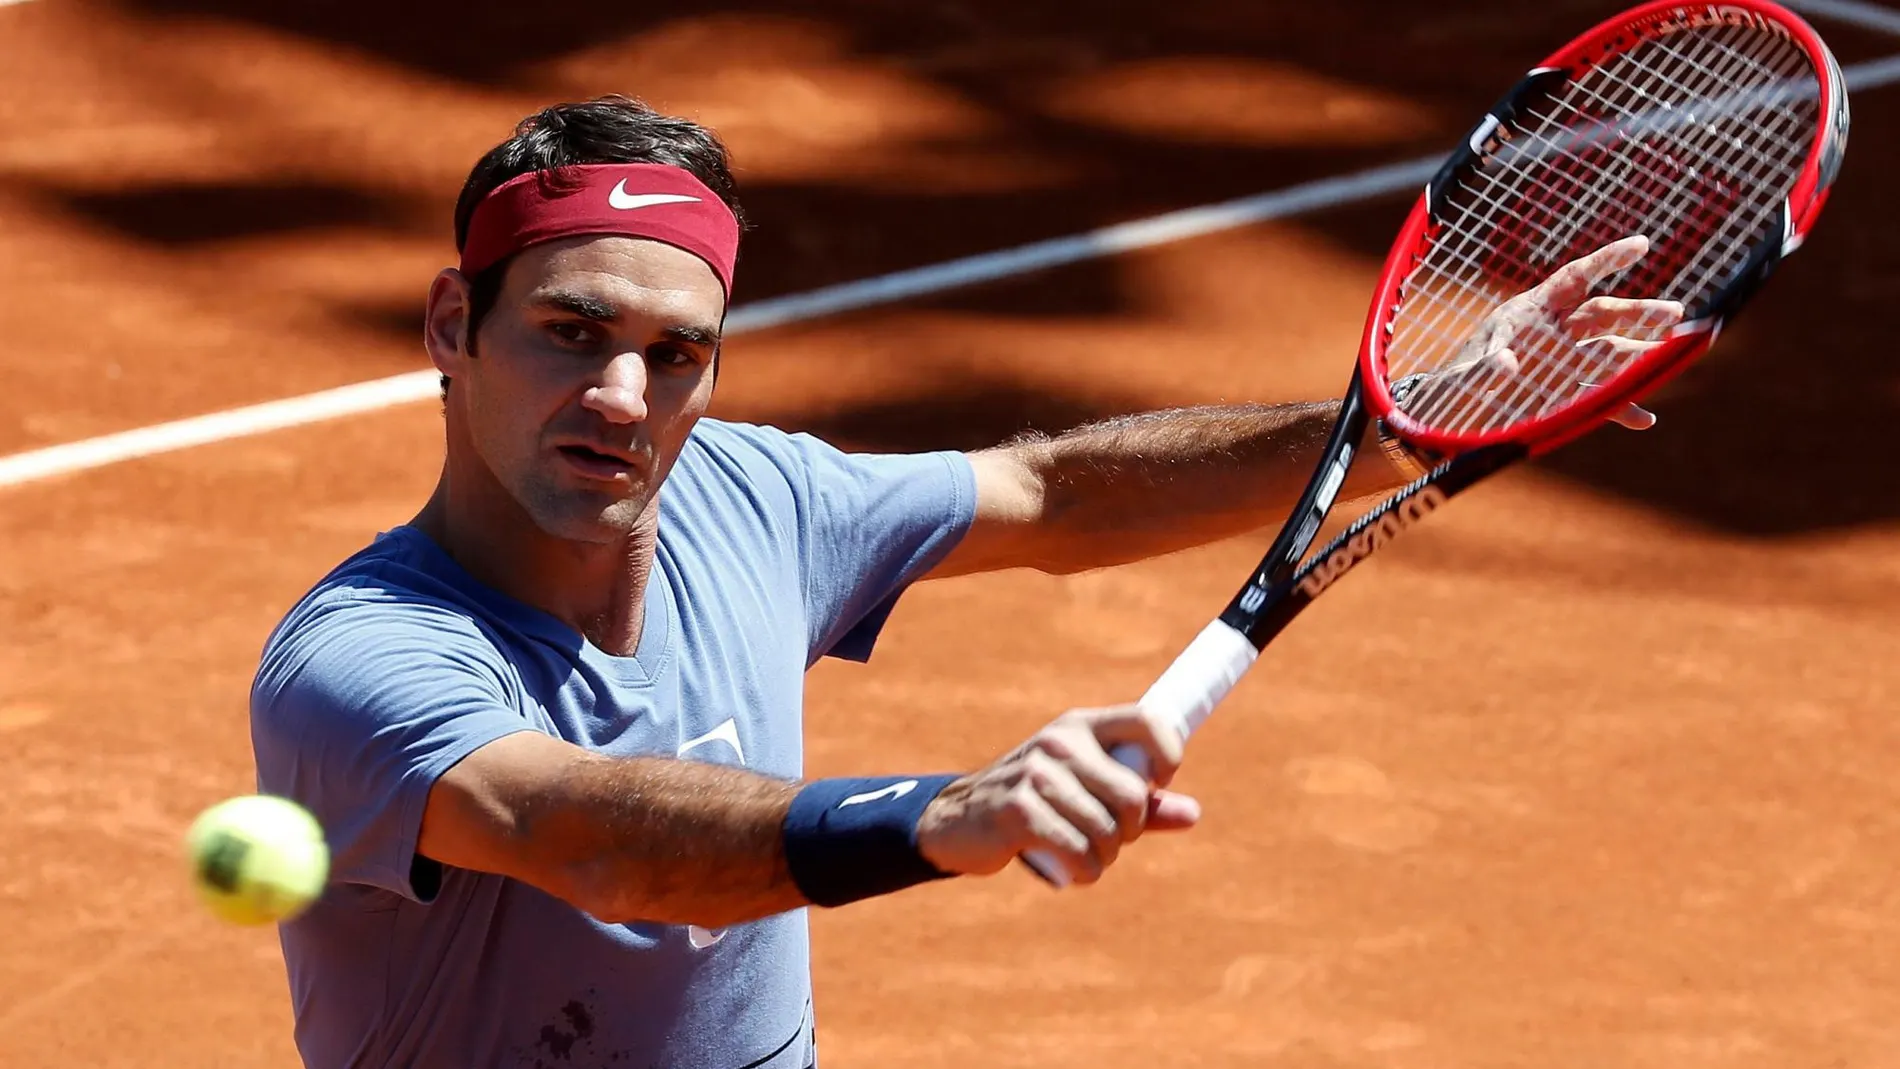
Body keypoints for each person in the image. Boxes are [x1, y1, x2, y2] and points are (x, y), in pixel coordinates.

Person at [249, 95, 1675, 1069]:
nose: (622, 395)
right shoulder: (360, 660)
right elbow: (592, 842)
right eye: (570, 331)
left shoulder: (754, 498)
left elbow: (1051, 489)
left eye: (677, 351)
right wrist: (941, 814)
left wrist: (1417, 411)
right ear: (455, 325)